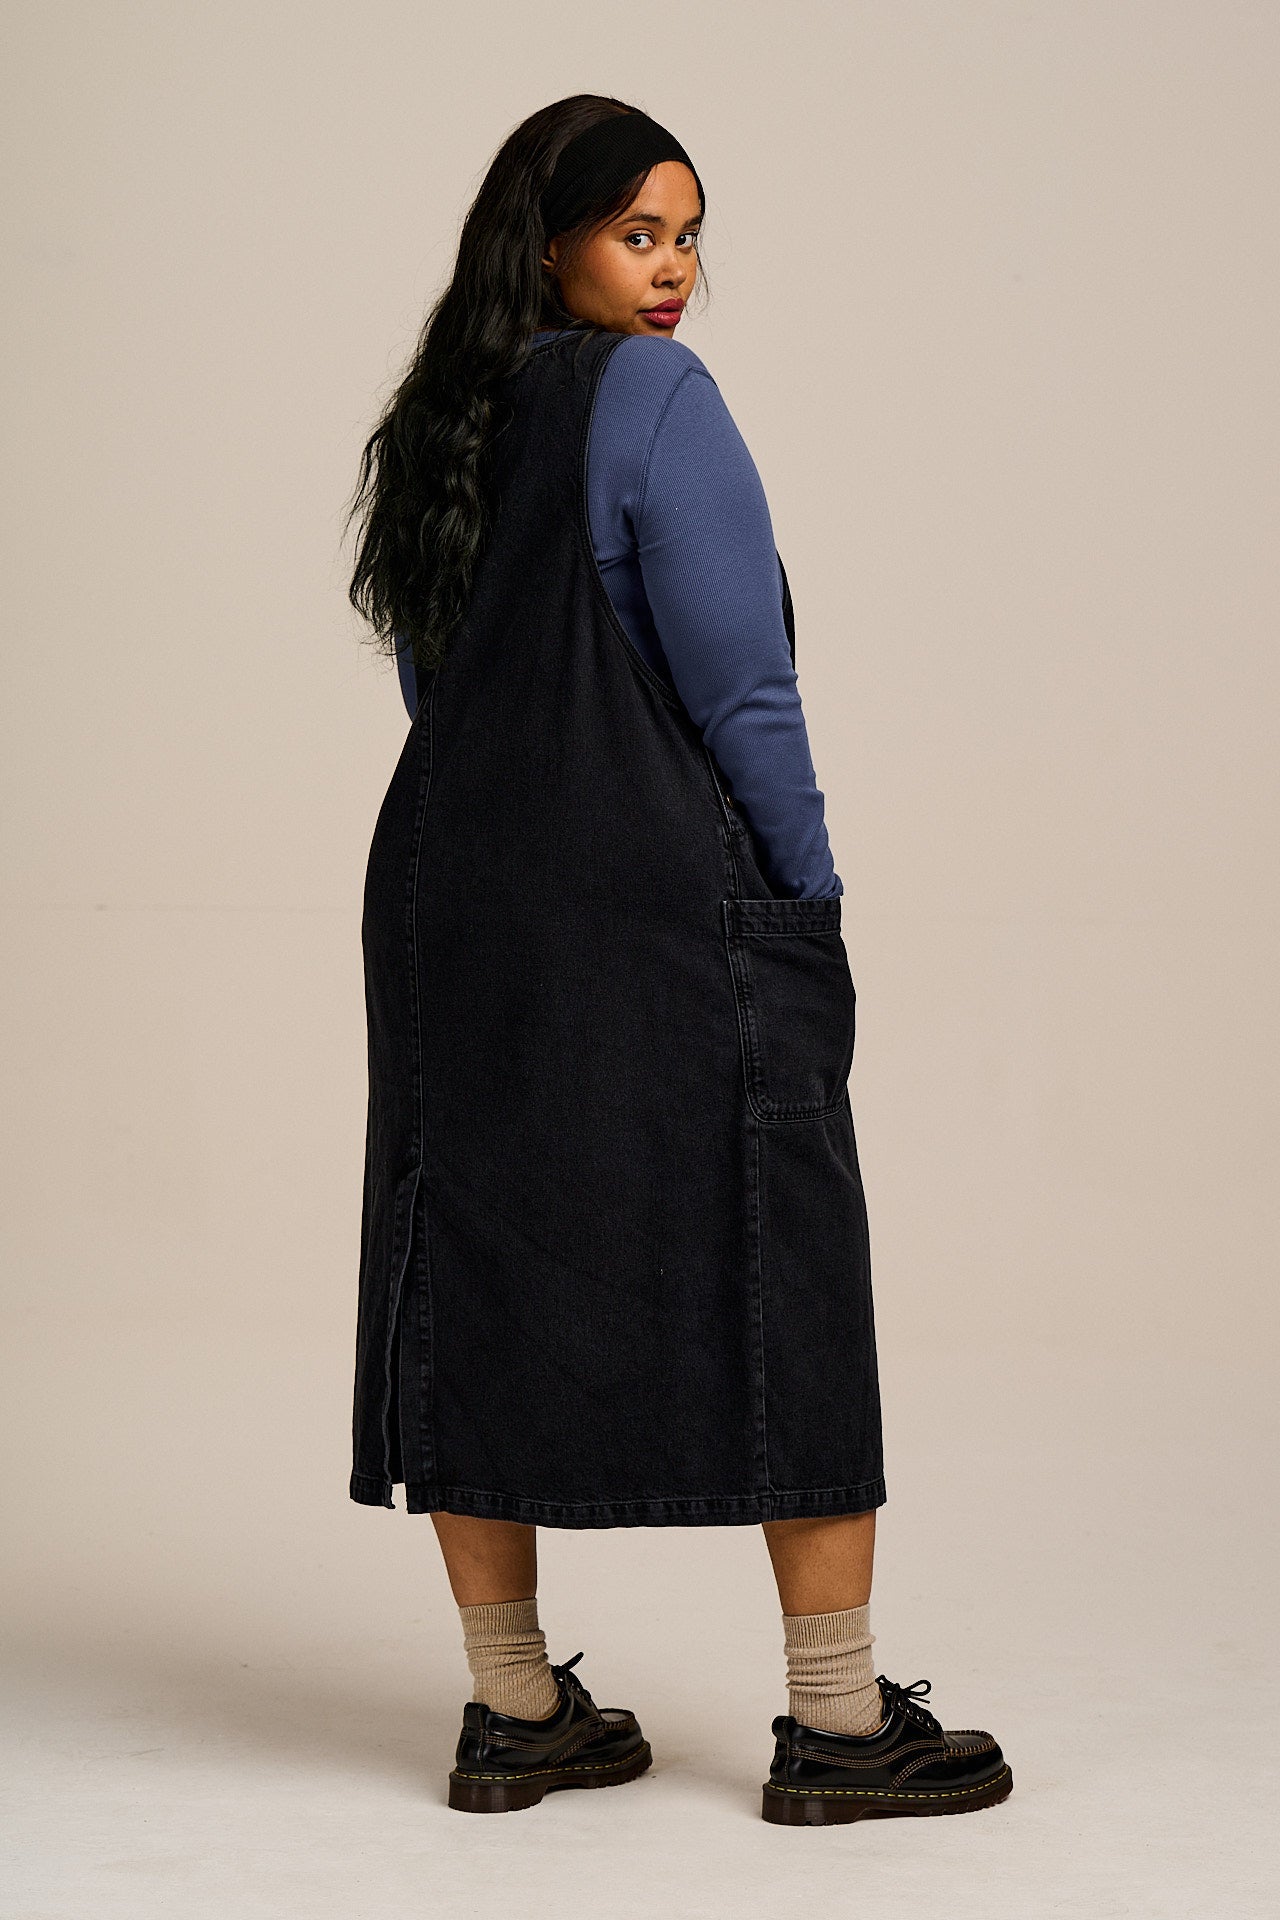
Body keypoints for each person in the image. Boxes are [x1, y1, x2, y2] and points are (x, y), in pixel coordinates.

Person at [345, 94, 1011, 1828]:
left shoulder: (442, 417)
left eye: (690, 235)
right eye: (640, 232)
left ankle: (516, 1710)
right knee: (788, 1253)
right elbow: (741, 689)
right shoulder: (654, 401)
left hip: (453, 900)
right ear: (549, 238)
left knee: (470, 1258)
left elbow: (432, 684)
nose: (674, 271)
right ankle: (840, 1723)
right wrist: (807, 893)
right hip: (659, 896)